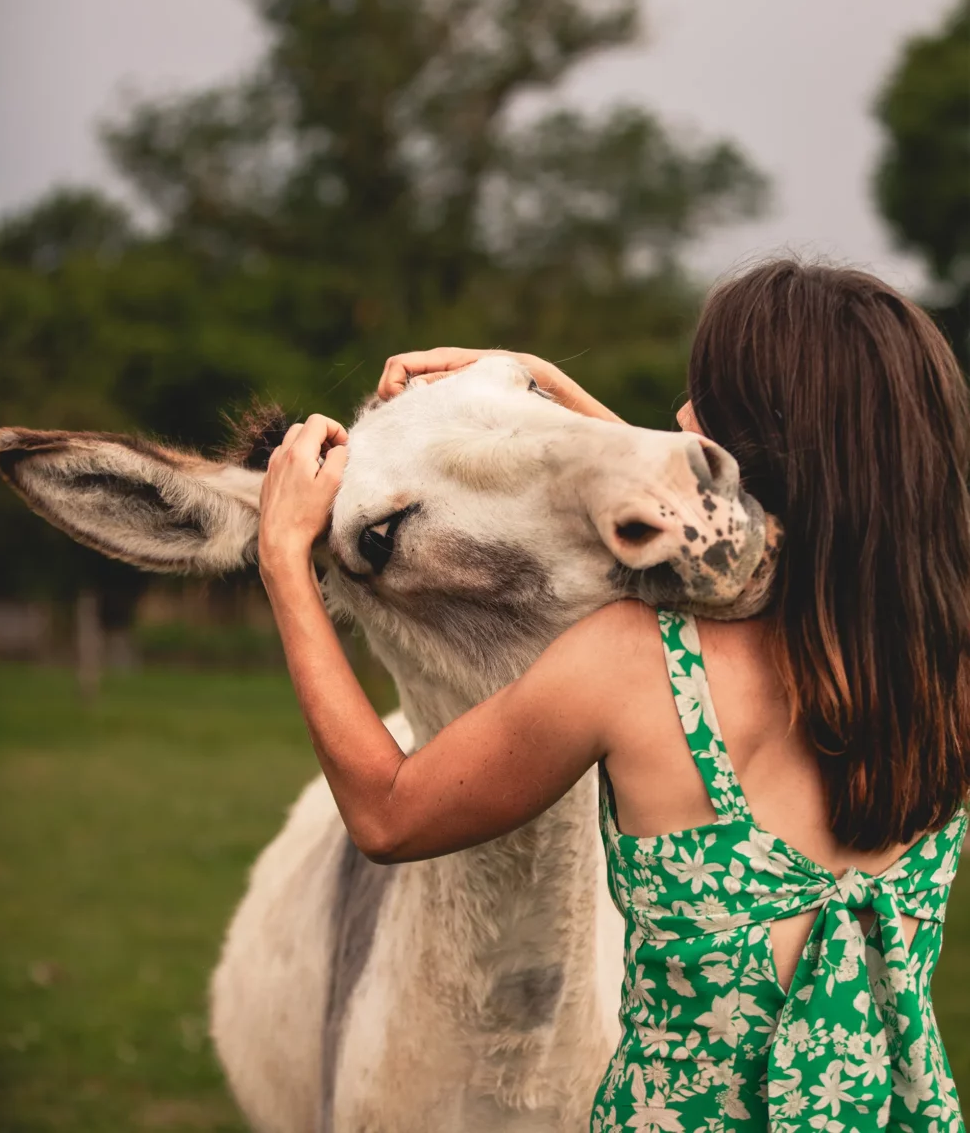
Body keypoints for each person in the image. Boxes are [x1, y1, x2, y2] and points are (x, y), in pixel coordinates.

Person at [257, 259, 970, 1131]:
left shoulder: (638, 665)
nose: (676, 419)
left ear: (754, 443)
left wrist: (286, 560)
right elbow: (713, 523)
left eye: (702, 396)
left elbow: (388, 813)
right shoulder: (945, 675)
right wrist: (542, 388)